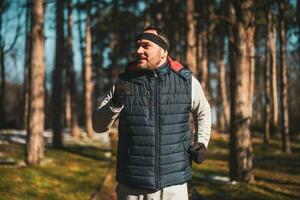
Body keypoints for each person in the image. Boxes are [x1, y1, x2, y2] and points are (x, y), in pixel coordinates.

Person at [93, 26, 211, 200]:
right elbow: (98, 126)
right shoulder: (123, 83)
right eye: (138, 45)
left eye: (146, 46)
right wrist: (115, 103)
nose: (138, 50)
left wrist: (202, 141)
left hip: (173, 186)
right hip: (131, 186)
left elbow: (204, 112)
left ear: (163, 51)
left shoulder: (186, 81)